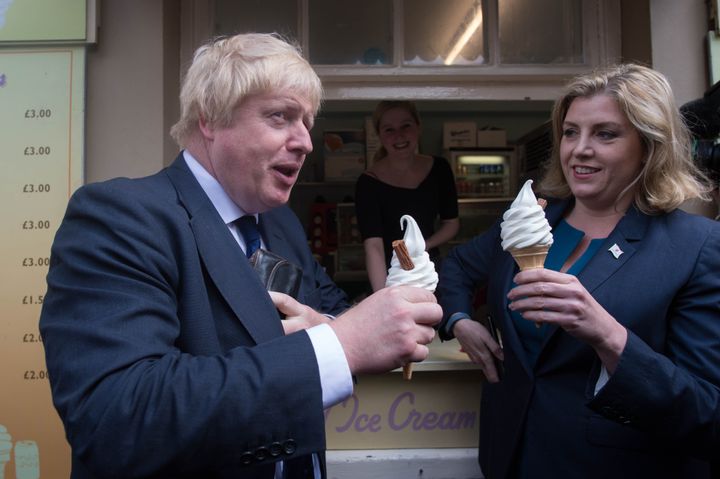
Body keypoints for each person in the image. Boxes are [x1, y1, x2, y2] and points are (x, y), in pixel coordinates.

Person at [39, 33, 441, 479]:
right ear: (211, 117)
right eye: (281, 117)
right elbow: (116, 418)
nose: (306, 142)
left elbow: (331, 315)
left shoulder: (281, 224)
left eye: (307, 122)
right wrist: (339, 346)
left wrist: (358, 326)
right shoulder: (121, 216)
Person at [437, 63, 720, 478]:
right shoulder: (530, 221)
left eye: (605, 134)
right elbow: (455, 268)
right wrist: (460, 320)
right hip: (510, 453)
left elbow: (707, 412)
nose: (579, 149)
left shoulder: (696, 247)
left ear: (650, 144)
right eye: (571, 132)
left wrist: (608, 335)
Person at [354, 100, 459, 292]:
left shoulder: (440, 169)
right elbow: (374, 246)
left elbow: (451, 224)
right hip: (390, 272)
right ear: (380, 135)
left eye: (406, 126)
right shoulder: (368, 183)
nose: (399, 135)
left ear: (418, 128)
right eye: (389, 129)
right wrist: (383, 296)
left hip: (431, 267)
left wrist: (420, 248)